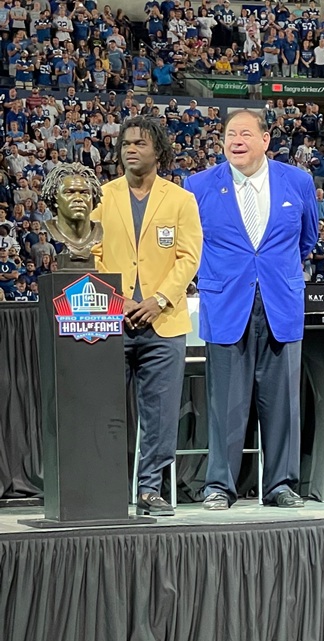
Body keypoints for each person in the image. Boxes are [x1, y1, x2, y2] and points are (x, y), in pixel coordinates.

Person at [185, 109, 319, 510]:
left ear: (266, 140)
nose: (235, 140)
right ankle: (219, 487)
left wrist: (273, 273)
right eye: (229, 134)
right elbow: (191, 245)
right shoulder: (198, 185)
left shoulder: (297, 181)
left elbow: (306, 239)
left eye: (245, 133)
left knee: (282, 403)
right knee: (226, 402)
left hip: (281, 302)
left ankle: (280, 484)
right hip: (226, 303)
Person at [91, 116, 202, 516]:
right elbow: (94, 255)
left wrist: (158, 299)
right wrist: (118, 301)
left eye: (139, 143)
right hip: (111, 320)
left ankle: (150, 489)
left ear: (158, 150)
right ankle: (103, 486)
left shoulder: (181, 199)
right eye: (125, 144)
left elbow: (189, 258)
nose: (130, 149)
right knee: (104, 408)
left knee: (159, 412)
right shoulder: (102, 196)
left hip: (165, 321)